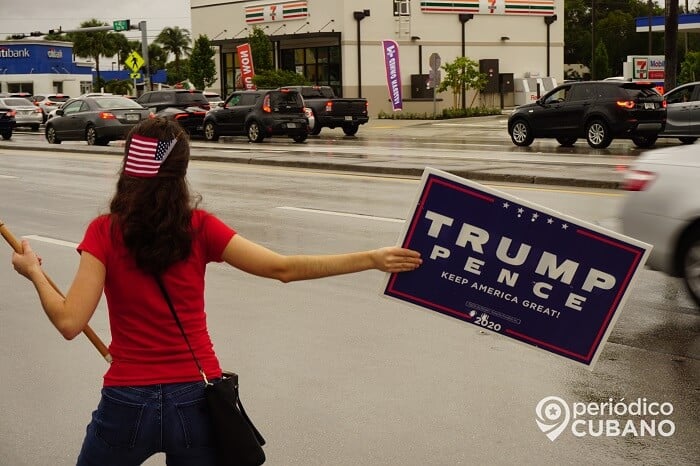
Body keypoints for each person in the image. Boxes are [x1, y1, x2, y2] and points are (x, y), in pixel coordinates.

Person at [10, 117, 422, 465]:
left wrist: (35, 274)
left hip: (126, 400)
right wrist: (372, 257)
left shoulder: (105, 232)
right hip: (194, 397)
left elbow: (69, 321)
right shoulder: (200, 228)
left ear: (127, 169)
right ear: (182, 171)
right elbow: (283, 268)